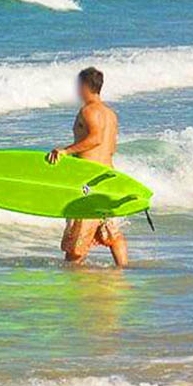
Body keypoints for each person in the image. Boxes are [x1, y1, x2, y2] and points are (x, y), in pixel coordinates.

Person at [47, 67, 127, 267]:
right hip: (107, 176)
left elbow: (96, 138)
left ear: (84, 86)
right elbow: (111, 146)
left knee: (78, 236)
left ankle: (73, 277)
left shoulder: (88, 110)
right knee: (111, 231)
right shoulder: (111, 114)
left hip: (88, 180)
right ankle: (123, 270)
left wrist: (66, 151)